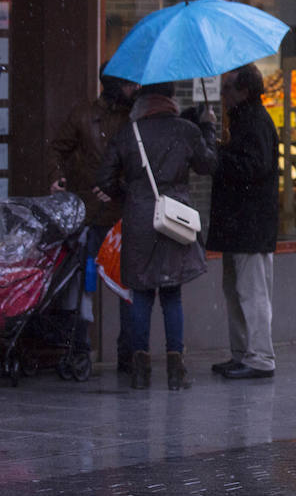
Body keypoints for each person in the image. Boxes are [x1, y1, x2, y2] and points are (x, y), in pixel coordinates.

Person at [96, 82, 217, 390]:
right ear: (171, 97)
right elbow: (208, 165)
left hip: (139, 219)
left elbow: (105, 178)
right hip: (174, 217)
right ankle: (176, 370)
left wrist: (131, 194)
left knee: (141, 293)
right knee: (172, 294)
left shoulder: (129, 133)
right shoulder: (186, 130)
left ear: (143, 97)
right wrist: (208, 128)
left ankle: (140, 370)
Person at [48, 63, 138, 372]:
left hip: (121, 214)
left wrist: (120, 186)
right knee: (84, 288)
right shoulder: (84, 115)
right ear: (113, 85)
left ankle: (127, 353)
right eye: (128, 83)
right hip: (91, 214)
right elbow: (57, 149)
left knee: (126, 288)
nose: (134, 88)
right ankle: (81, 350)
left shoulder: (133, 117)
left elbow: (139, 165)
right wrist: (57, 176)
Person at [207, 64, 279, 380]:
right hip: (241, 225)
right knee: (237, 292)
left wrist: (219, 155)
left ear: (244, 91)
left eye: (227, 88)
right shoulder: (244, 121)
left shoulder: (255, 122)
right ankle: (242, 353)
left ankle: (259, 356)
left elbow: (253, 168)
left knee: (251, 293)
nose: (223, 95)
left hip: (249, 225)